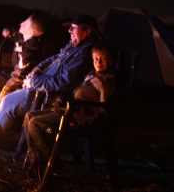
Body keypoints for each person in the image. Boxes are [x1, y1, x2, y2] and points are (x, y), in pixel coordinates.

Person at [0, 14, 101, 146]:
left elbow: (63, 83)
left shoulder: (84, 54)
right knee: (8, 98)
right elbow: (54, 58)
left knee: (9, 101)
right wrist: (37, 69)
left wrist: (33, 82)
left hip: (51, 96)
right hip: (40, 86)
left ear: (87, 31)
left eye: (74, 28)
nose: (69, 30)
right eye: (70, 27)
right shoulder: (74, 46)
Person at [23, 43, 118, 175]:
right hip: (70, 110)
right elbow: (79, 95)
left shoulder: (106, 82)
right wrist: (64, 98)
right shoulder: (93, 75)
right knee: (29, 116)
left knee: (35, 123)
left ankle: (51, 159)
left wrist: (80, 123)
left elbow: (104, 112)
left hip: (78, 115)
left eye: (103, 59)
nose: (98, 62)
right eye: (95, 58)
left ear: (112, 61)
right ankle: (38, 158)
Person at [0, 14, 45, 109]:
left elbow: (19, 74)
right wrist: (6, 31)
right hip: (14, 76)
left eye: (25, 23)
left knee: (7, 92)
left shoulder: (31, 50)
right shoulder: (21, 36)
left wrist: (6, 89)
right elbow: (12, 32)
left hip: (24, 82)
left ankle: (2, 111)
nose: (21, 23)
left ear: (31, 32)